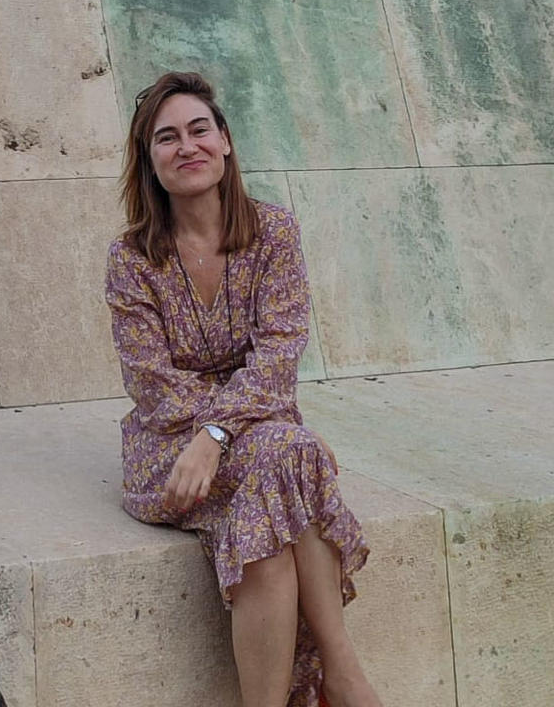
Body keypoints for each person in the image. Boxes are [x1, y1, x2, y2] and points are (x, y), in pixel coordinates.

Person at [105, 71, 381, 707]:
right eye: (167, 139)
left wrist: (222, 432)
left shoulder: (273, 233)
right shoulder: (132, 259)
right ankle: (343, 676)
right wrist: (213, 435)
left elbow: (279, 353)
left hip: (237, 435)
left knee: (278, 466)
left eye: (199, 129)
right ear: (151, 163)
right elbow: (154, 385)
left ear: (225, 141)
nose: (187, 146)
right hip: (169, 452)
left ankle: (317, 683)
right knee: (292, 454)